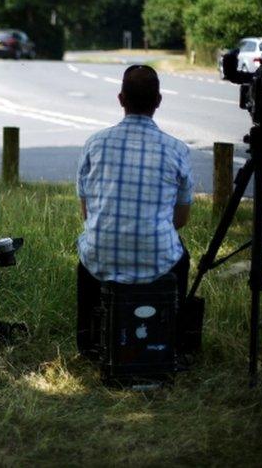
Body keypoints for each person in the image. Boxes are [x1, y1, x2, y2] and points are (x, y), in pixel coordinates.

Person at [75, 65, 194, 358]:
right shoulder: (177, 150)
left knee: (86, 257)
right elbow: (180, 220)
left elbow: (87, 213)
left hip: (102, 255)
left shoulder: (95, 144)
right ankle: (170, 337)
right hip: (157, 257)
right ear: (158, 100)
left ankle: (89, 341)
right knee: (182, 257)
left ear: (120, 99)